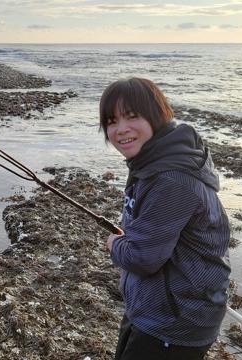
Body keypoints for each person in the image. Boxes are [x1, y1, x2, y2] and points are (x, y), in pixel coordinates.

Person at [99, 78, 231, 360]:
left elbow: (143, 258)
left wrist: (114, 244)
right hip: (150, 309)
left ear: (156, 115)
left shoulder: (172, 179)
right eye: (112, 121)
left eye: (132, 116)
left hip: (174, 325)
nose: (120, 129)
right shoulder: (152, 161)